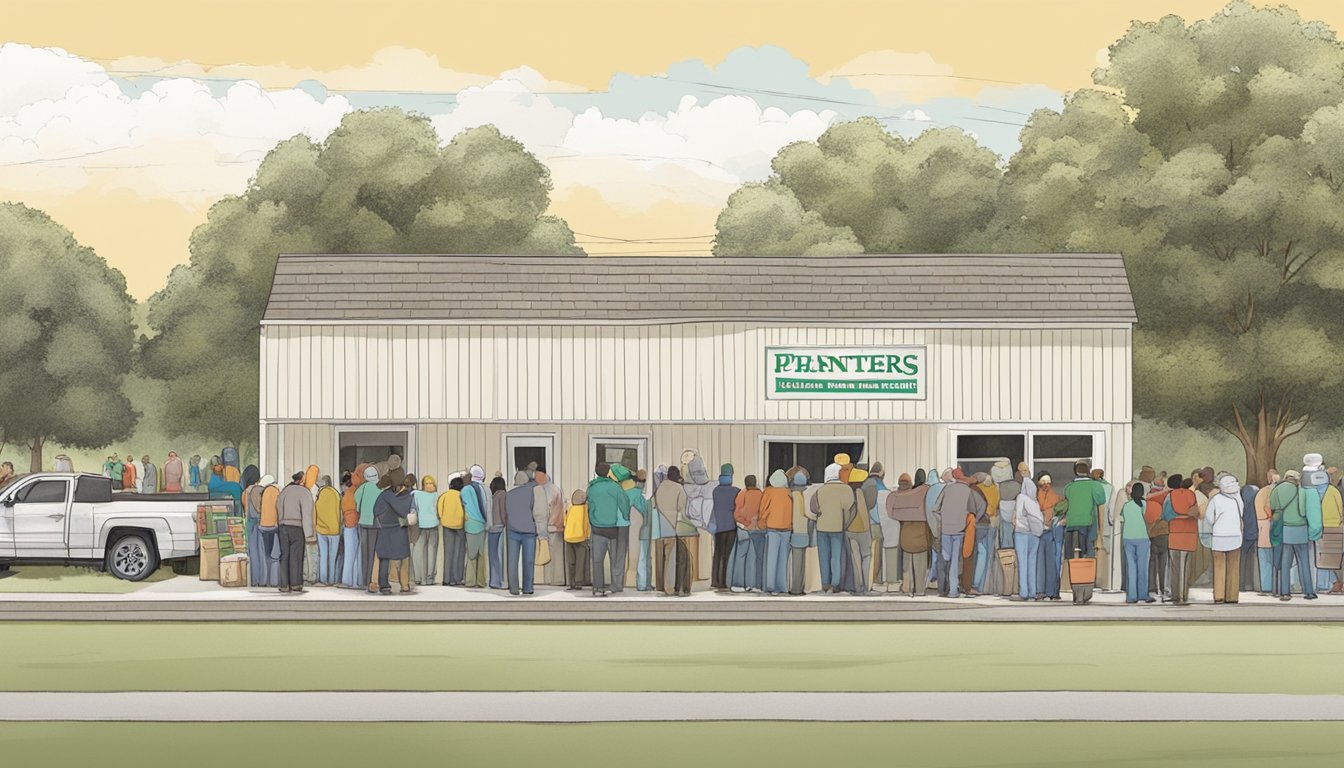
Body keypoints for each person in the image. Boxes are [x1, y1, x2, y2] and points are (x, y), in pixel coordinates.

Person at [932, 469, 985, 598]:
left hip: (945, 529)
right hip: (960, 530)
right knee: (955, 561)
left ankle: (944, 588)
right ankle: (953, 591)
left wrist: (942, 519)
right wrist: (973, 520)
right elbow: (980, 507)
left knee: (946, 559)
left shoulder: (946, 489)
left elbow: (935, 509)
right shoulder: (969, 491)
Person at [1271, 469, 1317, 601]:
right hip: (1301, 528)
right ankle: (1309, 591)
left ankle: (1285, 592)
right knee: (1304, 561)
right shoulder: (1302, 491)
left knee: (1285, 561)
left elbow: (1273, 506)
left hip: (1286, 529)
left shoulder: (1278, 489)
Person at [811, 462, 854, 594]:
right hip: (838, 527)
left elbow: (813, 508)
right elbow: (849, 507)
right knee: (836, 557)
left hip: (821, 527)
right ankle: (835, 584)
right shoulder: (846, 489)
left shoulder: (819, 490)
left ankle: (825, 583)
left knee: (823, 556)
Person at [586, 462, 627, 597]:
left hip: (597, 528)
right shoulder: (615, 488)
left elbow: (589, 506)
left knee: (597, 560)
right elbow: (624, 504)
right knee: (615, 559)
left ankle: (598, 587)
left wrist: (592, 520)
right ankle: (616, 586)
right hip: (613, 528)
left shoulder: (591, 488)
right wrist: (625, 516)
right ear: (608, 471)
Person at [372, 475, 416, 595]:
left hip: (386, 529)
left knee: (385, 557)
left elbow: (376, 511)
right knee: (403, 557)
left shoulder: (384, 495)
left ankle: (384, 585)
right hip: (396, 529)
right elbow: (402, 509)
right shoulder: (393, 496)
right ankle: (404, 585)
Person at [1163, 476, 1201, 606]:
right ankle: (1184, 595)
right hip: (1190, 533)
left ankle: (1176, 596)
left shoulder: (1170, 496)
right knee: (1185, 566)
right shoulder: (1191, 494)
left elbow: (1165, 515)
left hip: (1175, 532)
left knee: (1175, 567)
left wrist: (1176, 516)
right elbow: (1197, 512)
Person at [1207, 474, 1244, 604]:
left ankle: (1219, 595)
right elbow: (1242, 515)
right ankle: (1232, 596)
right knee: (1233, 567)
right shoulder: (1238, 500)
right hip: (1235, 536)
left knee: (1219, 567)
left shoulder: (1215, 500)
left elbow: (1209, 518)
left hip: (1219, 537)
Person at [275, 471, 315, 594]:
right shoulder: (304, 492)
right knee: (296, 556)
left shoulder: (284, 491)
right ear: (302, 480)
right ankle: (295, 584)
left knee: (284, 555)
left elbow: (278, 507)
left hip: (283, 526)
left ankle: (284, 584)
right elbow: (307, 513)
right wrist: (308, 533)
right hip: (296, 527)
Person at [653, 465, 690, 596]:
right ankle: (669, 587)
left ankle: (659, 586)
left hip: (659, 526)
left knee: (659, 558)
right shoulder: (679, 488)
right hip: (672, 526)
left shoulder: (660, 487)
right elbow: (681, 506)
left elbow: (655, 503)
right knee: (670, 558)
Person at [1061, 461, 1108, 562]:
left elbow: (1066, 505)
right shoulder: (1096, 486)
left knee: (1070, 559)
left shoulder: (1069, 487)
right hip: (1088, 525)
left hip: (1071, 525)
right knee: (1088, 557)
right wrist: (1100, 534)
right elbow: (1101, 509)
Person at [504, 470, 541, 596]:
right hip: (529, 530)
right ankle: (528, 587)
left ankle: (513, 587)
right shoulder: (533, 491)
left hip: (512, 529)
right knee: (529, 560)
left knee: (512, 560)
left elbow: (507, 511)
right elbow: (536, 510)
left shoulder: (509, 494)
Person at [759, 469, 793, 595]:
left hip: (772, 528)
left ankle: (770, 586)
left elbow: (763, 510)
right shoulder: (789, 492)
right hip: (787, 529)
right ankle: (782, 586)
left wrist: (762, 521)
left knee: (771, 558)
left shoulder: (769, 492)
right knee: (783, 559)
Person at [1118, 482, 1153, 604]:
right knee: (1142, 567)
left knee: (1131, 567)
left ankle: (1131, 596)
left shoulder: (1126, 505)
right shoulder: (1144, 505)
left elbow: (1122, 518)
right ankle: (1143, 594)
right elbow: (1149, 519)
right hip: (1143, 537)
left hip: (1128, 538)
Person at [1012, 474, 1045, 601]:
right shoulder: (1035, 502)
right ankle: (1032, 592)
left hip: (1022, 532)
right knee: (1032, 563)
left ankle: (1023, 592)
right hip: (1035, 534)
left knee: (1022, 562)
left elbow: (1020, 514)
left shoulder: (1021, 497)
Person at [844, 467, 875, 595]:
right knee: (866, 556)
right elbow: (864, 513)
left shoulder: (848, 493)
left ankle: (857, 586)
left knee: (855, 558)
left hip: (849, 530)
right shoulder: (862, 493)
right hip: (863, 530)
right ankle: (866, 586)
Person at [730, 475, 763, 593]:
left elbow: (737, 513)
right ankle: (756, 584)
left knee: (741, 556)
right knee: (757, 558)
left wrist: (745, 523)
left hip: (744, 528)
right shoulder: (761, 494)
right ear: (755, 483)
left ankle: (738, 584)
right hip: (758, 529)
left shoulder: (742, 494)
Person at [710, 464, 740, 591]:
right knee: (728, 555)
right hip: (731, 525)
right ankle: (724, 581)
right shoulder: (736, 491)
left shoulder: (715, 491)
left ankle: (715, 580)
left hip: (718, 526)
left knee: (717, 553)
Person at [460, 466, 490, 588]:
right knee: (481, 554)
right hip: (483, 524)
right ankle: (481, 581)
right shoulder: (486, 489)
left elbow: (463, 504)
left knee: (471, 554)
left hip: (470, 524)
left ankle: (470, 581)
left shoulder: (466, 489)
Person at [614, 466, 642, 594]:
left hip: (614, 524)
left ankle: (617, 582)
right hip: (631, 526)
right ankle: (628, 580)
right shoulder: (636, 493)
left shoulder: (616, 491)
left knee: (617, 555)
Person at [1037, 474, 1065, 600]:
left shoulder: (1057, 498)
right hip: (1038, 533)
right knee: (1040, 564)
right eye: (1043, 482)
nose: (1045, 485)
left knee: (1053, 563)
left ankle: (1053, 591)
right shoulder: (1035, 497)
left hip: (1052, 533)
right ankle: (1041, 590)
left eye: (1048, 482)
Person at [1145, 478, 1173, 602]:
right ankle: (1164, 589)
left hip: (1152, 532)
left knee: (1152, 562)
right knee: (1164, 563)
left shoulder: (1150, 496)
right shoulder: (1168, 496)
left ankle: (1153, 589)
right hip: (1166, 531)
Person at [604, 468, 632, 593]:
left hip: (611, 524)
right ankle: (617, 583)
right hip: (623, 525)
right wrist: (626, 517)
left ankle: (615, 584)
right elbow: (625, 508)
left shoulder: (610, 489)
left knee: (613, 554)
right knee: (620, 555)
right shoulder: (624, 489)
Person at [355, 465, 382, 590]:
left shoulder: (362, 488)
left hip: (362, 522)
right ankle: (372, 579)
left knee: (364, 552)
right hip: (375, 523)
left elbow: (356, 500)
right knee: (372, 553)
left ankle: (364, 580)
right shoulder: (380, 489)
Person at [788, 466, 813, 596]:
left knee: (795, 563)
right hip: (804, 532)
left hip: (794, 532)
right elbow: (807, 514)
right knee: (801, 563)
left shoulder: (791, 495)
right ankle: (799, 588)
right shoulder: (806, 495)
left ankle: (795, 588)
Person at [412, 475, 441, 587]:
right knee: (432, 553)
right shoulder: (436, 495)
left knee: (419, 553)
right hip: (433, 525)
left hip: (421, 525)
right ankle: (430, 579)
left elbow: (413, 508)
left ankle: (419, 578)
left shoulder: (416, 494)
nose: (430, 485)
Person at [438, 475, 466, 586]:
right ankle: (457, 578)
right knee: (459, 552)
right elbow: (466, 509)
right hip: (459, 525)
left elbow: (439, 509)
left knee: (448, 552)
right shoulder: (462, 496)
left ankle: (446, 579)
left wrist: (443, 518)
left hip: (447, 524)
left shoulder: (445, 495)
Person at [314, 475, 341, 586]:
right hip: (334, 529)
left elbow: (315, 510)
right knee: (333, 557)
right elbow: (340, 510)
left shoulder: (320, 494)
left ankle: (323, 579)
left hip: (321, 529)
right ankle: (332, 580)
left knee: (323, 556)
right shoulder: (336, 493)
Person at [1254, 471, 1279, 596]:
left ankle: (1266, 587)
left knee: (1264, 560)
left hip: (1261, 528)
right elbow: (1268, 508)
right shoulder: (1273, 490)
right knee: (1274, 559)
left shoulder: (1261, 491)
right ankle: (1275, 586)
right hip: (1270, 526)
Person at [565, 489, 592, 589]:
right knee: (580, 562)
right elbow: (587, 524)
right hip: (581, 538)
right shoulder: (585, 508)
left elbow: (565, 522)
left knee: (571, 561)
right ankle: (578, 582)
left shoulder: (570, 508)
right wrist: (588, 537)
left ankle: (571, 583)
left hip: (568, 537)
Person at [632, 469, 654, 592]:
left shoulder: (645, 502)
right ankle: (646, 583)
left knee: (644, 558)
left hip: (645, 531)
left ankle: (643, 584)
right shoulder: (653, 502)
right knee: (648, 558)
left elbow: (636, 495)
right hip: (658, 533)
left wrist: (640, 481)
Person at [487, 471, 508, 590]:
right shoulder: (503, 494)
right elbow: (503, 510)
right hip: (500, 525)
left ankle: (493, 580)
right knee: (500, 555)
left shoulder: (492, 495)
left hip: (491, 526)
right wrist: (506, 522)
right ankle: (500, 581)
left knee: (492, 555)